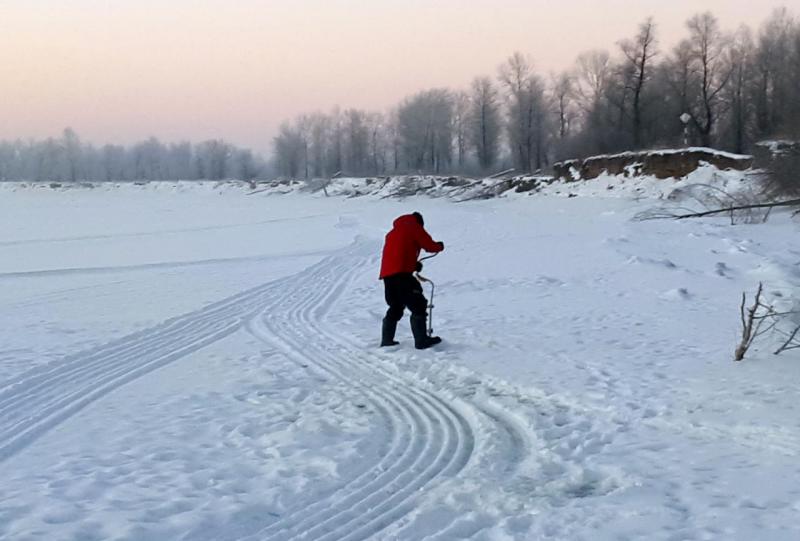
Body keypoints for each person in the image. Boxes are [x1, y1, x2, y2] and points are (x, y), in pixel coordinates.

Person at [379, 212, 444, 349]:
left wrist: (413, 265)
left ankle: (387, 340)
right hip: (402, 275)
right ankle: (421, 341)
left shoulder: (392, 233)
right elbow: (428, 245)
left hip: (388, 276)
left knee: (396, 306)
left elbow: (398, 254)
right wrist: (439, 246)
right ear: (419, 222)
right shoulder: (413, 226)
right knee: (418, 305)